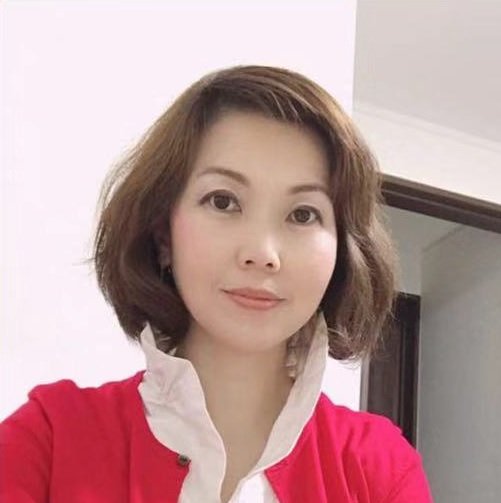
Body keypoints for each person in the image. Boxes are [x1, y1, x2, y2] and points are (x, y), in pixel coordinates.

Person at [0, 65, 433, 502]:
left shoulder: (381, 468)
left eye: (303, 214)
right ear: (163, 235)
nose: (262, 252)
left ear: (342, 250)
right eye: (223, 201)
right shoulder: (48, 439)